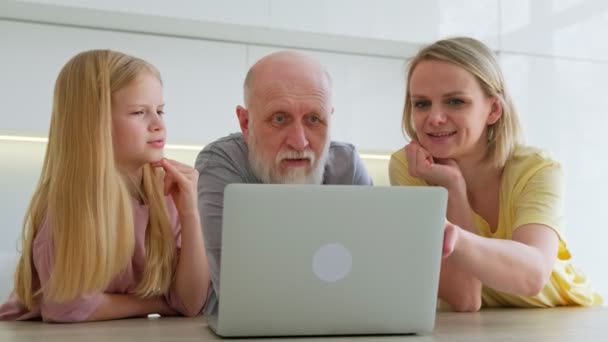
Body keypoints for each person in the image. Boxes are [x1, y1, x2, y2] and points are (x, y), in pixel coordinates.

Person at [389, 37, 602, 311]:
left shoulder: (536, 169)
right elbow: (464, 298)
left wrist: (444, 232)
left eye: (455, 101)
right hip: (484, 325)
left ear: (493, 110)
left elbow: (533, 274)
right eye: (421, 103)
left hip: (565, 319)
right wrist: (453, 188)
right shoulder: (409, 168)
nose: (435, 117)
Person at [0, 50, 210, 322]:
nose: (159, 124)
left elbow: (190, 303)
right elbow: (67, 308)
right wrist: (158, 302)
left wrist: (190, 213)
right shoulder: (72, 203)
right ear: (94, 124)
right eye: (139, 112)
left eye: (160, 111)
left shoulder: (168, 193)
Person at [196, 50, 374, 316]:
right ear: (246, 123)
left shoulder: (347, 164)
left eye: (314, 119)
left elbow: (372, 274)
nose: (299, 141)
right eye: (279, 118)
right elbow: (237, 289)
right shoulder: (222, 162)